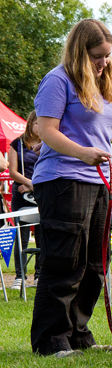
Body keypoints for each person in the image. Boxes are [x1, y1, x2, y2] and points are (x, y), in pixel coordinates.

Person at [30, 18, 112, 357]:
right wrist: (83, 153)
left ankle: (78, 334)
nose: (104, 63)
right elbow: (46, 130)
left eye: (108, 56)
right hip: (63, 179)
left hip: (98, 182)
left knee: (96, 264)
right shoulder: (57, 81)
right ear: (80, 52)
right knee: (65, 260)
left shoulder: (103, 84)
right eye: (98, 56)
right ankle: (50, 340)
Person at [9, 111, 43, 290]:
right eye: (38, 123)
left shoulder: (47, 144)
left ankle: (39, 275)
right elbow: (12, 171)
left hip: (40, 193)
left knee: (41, 236)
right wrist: (28, 182)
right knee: (21, 237)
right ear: (30, 124)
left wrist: (33, 186)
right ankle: (19, 276)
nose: (40, 126)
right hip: (20, 194)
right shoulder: (17, 144)